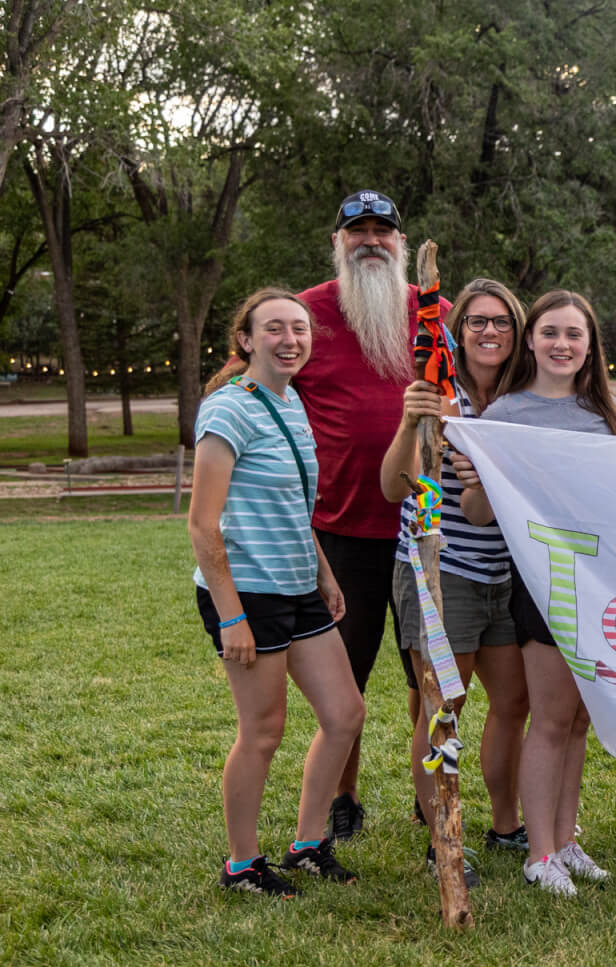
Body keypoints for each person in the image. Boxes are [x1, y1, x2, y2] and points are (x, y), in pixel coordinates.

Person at [190, 289, 366, 897]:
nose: (290, 339)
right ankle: (242, 864)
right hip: (249, 594)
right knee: (263, 732)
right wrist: (231, 616)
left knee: (345, 714)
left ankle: (310, 843)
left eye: (300, 328)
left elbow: (294, 507)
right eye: (274, 329)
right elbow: (201, 524)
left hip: (297, 584)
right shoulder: (228, 408)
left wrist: (322, 570)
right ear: (246, 339)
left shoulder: (292, 404)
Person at [459, 290, 616, 897]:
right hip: (543, 582)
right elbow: (477, 513)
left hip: (599, 584)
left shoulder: (606, 413)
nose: (562, 344)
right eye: (550, 332)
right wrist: (478, 479)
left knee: (581, 719)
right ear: (530, 340)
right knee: (551, 718)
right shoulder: (505, 415)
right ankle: (538, 854)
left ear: (590, 346)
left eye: (574, 335)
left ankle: (567, 840)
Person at [296, 189, 444, 839]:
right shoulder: (308, 313)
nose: (371, 241)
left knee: (429, 668)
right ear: (338, 243)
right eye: (357, 230)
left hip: (425, 522)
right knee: (347, 675)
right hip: (340, 525)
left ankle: (429, 790)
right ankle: (344, 799)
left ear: (402, 245)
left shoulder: (430, 311)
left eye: (384, 229)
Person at [379, 278, 530, 885]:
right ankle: (444, 833)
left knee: (514, 702)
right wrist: (412, 423)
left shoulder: (523, 399)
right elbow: (396, 487)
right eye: (476, 322)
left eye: (502, 322)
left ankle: (505, 825)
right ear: (456, 330)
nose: (489, 332)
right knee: (445, 708)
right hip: (442, 569)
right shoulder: (438, 393)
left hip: (510, 571)